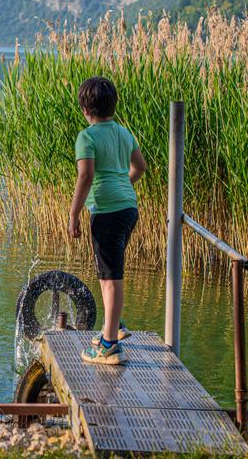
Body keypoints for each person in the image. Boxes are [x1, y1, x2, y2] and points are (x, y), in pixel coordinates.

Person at [68, 76, 146, 365]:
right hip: (128, 208)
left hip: (107, 211)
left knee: (111, 276)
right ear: (113, 105)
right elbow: (140, 167)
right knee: (108, 271)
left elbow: (86, 175)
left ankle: (109, 346)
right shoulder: (124, 133)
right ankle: (113, 327)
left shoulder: (87, 137)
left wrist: (74, 213)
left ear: (84, 109)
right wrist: (122, 185)